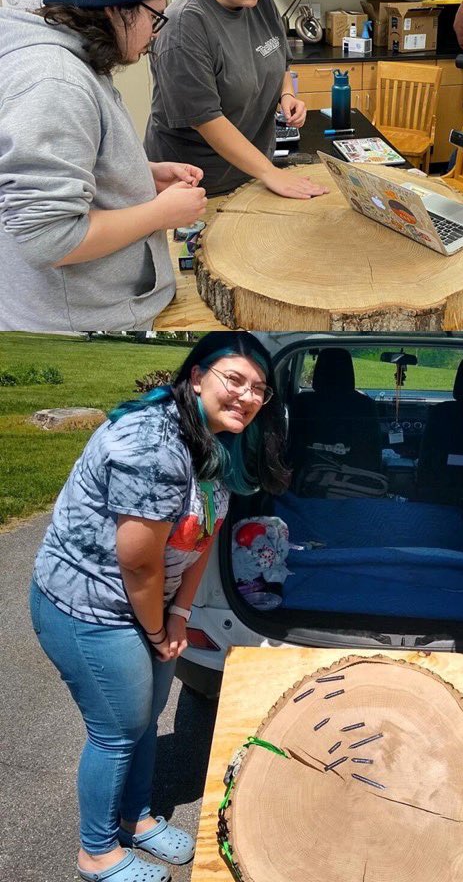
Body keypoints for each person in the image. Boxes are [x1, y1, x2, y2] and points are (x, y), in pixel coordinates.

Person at [29, 332, 290, 882]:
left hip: (151, 610)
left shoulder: (218, 440)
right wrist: (156, 629)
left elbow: (205, 531)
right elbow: (140, 565)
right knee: (118, 728)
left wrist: (178, 616)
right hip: (91, 608)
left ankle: (136, 818)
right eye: (234, 380)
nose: (246, 396)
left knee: (145, 718)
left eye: (259, 389)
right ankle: (96, 852)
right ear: (196, 376)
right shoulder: (153, 445)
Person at [0, 0, 207, 332]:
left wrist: (142, 174)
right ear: (115, 6)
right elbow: (49, 238)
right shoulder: (55, 82)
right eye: (155, 16)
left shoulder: (74, 61)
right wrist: (158, 214)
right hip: (77, 327)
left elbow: (74, 161)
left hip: (89, 306)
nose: (155, 33)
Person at [145, 0, 328, 201]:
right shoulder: (185, 27)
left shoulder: (262, 4)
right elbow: (207, 120)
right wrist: (271, 173)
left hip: (253, 171)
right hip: (199, 184)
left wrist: (287, 94)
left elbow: (278, 61)